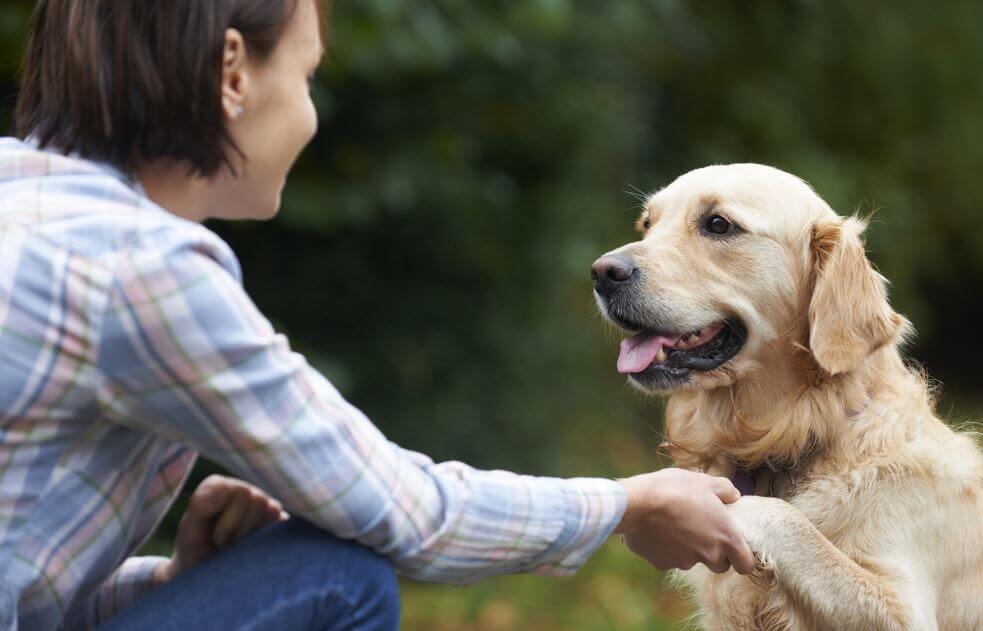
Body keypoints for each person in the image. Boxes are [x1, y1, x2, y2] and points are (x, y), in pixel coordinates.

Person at [0, 1, 755, 629]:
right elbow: (406, 511)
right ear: (233, 72)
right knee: (332, 573)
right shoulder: (142, 267)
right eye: (304, 76)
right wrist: (626, 503)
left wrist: (175, 580)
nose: (309, 117)